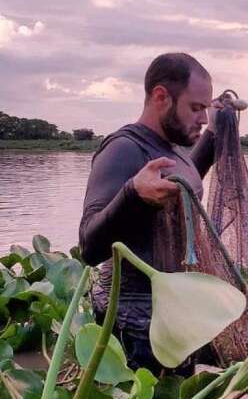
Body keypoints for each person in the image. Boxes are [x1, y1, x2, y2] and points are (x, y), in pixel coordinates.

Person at [79, 52, 227, 375]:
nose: (202, 118)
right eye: (196, 108)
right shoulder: (123, 149)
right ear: (161, 97)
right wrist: (133, 193)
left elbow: (185, 186)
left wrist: (216, 133)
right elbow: (89, 247)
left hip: (176, 312)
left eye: (206, 108)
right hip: (136, 324)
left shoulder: (175, 149)